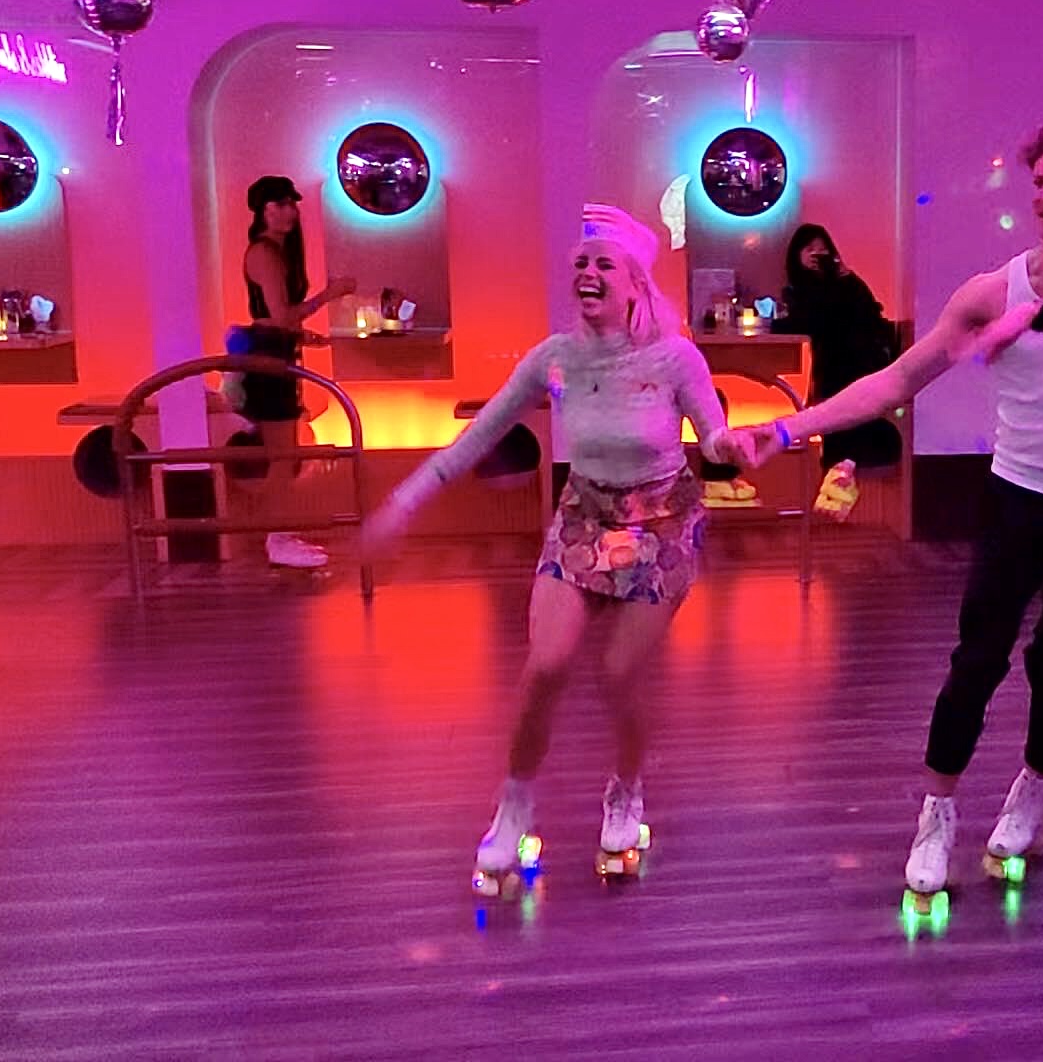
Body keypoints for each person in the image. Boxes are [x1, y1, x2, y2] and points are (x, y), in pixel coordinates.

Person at [735, 98, 1043, 902]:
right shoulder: (988, 291)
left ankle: (1036, 784)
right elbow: (895, 381)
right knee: (979, 656)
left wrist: (1038, 319)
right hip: (1017, 497)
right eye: (1039, 183)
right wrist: (789, 428)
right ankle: (936, 810)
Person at [364, 204, 743, 888]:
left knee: (618, 674)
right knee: (546, 665)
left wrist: (734, 445)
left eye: (604, 264)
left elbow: (713, 437)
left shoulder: (675, 357)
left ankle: (625, 790)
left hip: (661, 525)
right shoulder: (554, 358)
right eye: (580, 263)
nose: (588, 272)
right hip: (583, 517)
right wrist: (403, 501)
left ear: (635, 283)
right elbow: (478, 436)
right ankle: (513, 806)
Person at [230, 175, 356, 569]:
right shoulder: (263, 253)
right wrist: (328, 296)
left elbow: (278, 319)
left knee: (286, 454)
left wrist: (303, 336)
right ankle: (276, 538)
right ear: (262, 211)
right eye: (279, 204)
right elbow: (280, 316)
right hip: (267, 358)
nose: (289, 211)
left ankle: (279, 534)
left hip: (276, 352)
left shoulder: (277, 251)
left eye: (291, 203)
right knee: (284, 456)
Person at [775, 224, 902, 509]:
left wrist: (848, 276)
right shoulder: (799, 291)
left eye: (823, 249)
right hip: (835, 366)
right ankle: (842, 468)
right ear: (797, 254)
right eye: (810, 249)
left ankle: (842, 468)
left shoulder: (846, 285)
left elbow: (870, 313)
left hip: (862, 363)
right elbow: (808, 323)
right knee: (836, 398)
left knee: (843, 399)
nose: (817, 254)